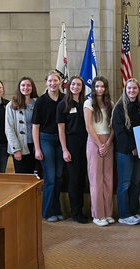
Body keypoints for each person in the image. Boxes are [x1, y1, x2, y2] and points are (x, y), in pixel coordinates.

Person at [112, 78, 140, 226]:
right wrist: (133, 148)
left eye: (134, 88)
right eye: (129, 88)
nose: (132, 91)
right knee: (124, 184)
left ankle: (134, 211)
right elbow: (120, 133)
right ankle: (124, 215)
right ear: (125, 90)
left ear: (138, 90)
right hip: (125, 152)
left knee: (135, 183)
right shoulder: (119, 108)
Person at [32, 70, 65, 222]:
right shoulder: (41, 101)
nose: (53, 83)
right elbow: (35, 126)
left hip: (61, 141)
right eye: (50, 81)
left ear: (60, 82)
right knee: (50, 177)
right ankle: (46, 212)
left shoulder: (65, 99)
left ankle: (56, 209)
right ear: (46, 83)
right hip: (46, 140)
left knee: (59, 177)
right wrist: (37, 148)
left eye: (55, 80)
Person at [57, 75, 88, 224]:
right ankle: (76, 212)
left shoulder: (85, 103)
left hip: (86, 143)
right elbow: (61, 130)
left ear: (82, 88)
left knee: (82, 179)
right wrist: (64, 149)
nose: (76, 87)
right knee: (74, 179)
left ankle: (82, 209)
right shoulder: (63, 105)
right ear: (69, 86)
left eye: (79, 85)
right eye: (73, 84)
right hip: (71, 144)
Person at [84, 76, 115, 227]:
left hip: (108, 141)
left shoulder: (110, 104)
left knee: (108, 179)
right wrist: (99, 144)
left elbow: (113, 125)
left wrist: (108, 143)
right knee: (96, 179)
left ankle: (108, 213)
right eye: (97, 86)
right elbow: (88, 126)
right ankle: (98, 214)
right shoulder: (88, 103)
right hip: (94, 141)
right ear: (93, 87)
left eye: (102, 86)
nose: (99, 89)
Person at [5, 76, 39, 173]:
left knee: (33, 176)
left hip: (34, 146)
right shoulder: (11, 105)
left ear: (32, 88)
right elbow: (9, 129)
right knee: (22, 176)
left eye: (29, 85)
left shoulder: (36, 103)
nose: (26, 88)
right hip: (20, 146)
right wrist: (16, 149)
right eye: (23, 85)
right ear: (19, 87)